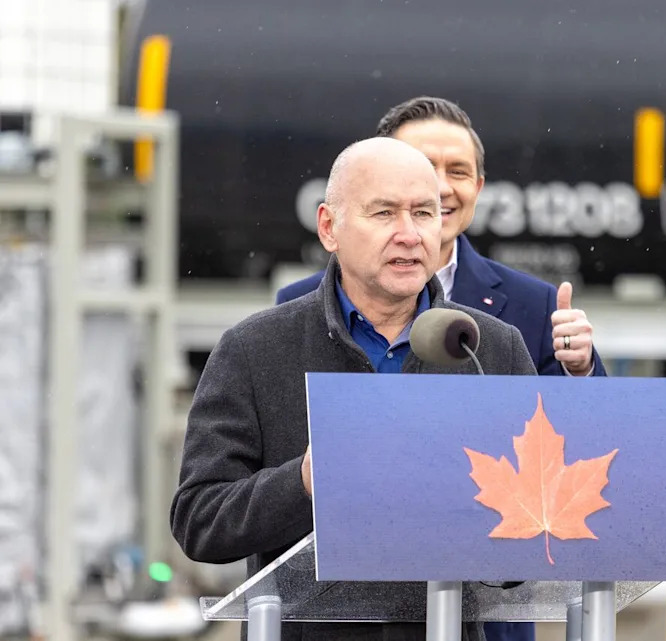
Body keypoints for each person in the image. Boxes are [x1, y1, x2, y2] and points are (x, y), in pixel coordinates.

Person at [171, 137, 537, 641]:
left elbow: (535, 534)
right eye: (384, 213)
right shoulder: (254, 349)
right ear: (329, 227)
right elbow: (200, 520)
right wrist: (302, 483)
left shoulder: (489, 348)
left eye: (424, 213)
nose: (409, 235)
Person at [277, 96, 607, 379]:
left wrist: (580, 371)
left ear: (478, 188)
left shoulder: (534, 306)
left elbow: (559, 435)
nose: (441, 188)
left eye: (458, 171)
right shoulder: (296, 306)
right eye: (421, 167)